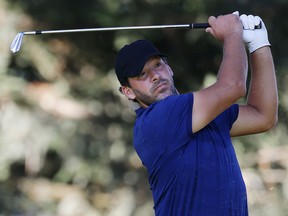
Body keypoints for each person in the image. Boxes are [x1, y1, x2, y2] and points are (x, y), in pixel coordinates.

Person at [114, 12, 278, 216]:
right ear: (128, 91)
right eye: (142, 75)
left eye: (157, 65)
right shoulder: (156, 120)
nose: (155, 76)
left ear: (169, 68)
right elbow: (234, 86)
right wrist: (232, 33)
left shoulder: (201, 113)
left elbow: (263, 116)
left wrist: (259, 44)